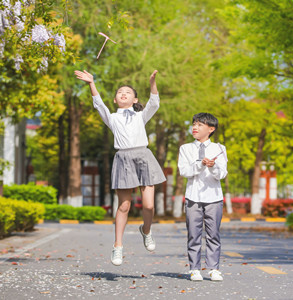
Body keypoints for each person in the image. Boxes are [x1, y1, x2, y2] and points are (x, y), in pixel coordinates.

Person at [74, 69, 166, 266]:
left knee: (149, 205)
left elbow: (155, 103)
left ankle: (146, 231)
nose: (123, 94)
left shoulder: (140, 116)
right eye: (119, 92)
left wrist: (152, 83)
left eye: (128, 92)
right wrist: (91, 82)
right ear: (115, 100)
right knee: (124, 205)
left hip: (143, 156)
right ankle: (118, 246)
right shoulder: (112, 118)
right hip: (123, 159)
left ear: (134, 99)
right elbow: (98, 104)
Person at [177, 112, 228, 281]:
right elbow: (184, 171)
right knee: (194, 233)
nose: (195, 127)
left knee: (213, 234)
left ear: (211, 129)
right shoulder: (185, 149)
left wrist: (213, 167)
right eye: (194, 124)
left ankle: (214, 268)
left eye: (199, 125)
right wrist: (200, 164)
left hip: (214, 197)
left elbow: (222, 174)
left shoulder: (219, 149)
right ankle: (195, 268)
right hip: (193, 197)